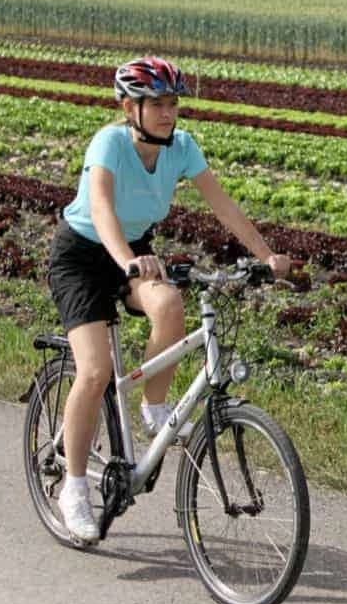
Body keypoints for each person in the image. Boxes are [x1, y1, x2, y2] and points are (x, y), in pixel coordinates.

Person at [48, 56, 291, 543]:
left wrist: (265, 256)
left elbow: (223, 205)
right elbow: (100, 208)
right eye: (156, 102)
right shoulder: (110, 143)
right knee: (94, 371)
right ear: (128, 107)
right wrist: (127, 262)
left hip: (133, 250)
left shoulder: (182, 148)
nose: (167, 112)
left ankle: (154, 410)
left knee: (171, 306)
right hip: (83, 254)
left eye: (173, 102)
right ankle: (73, 489)